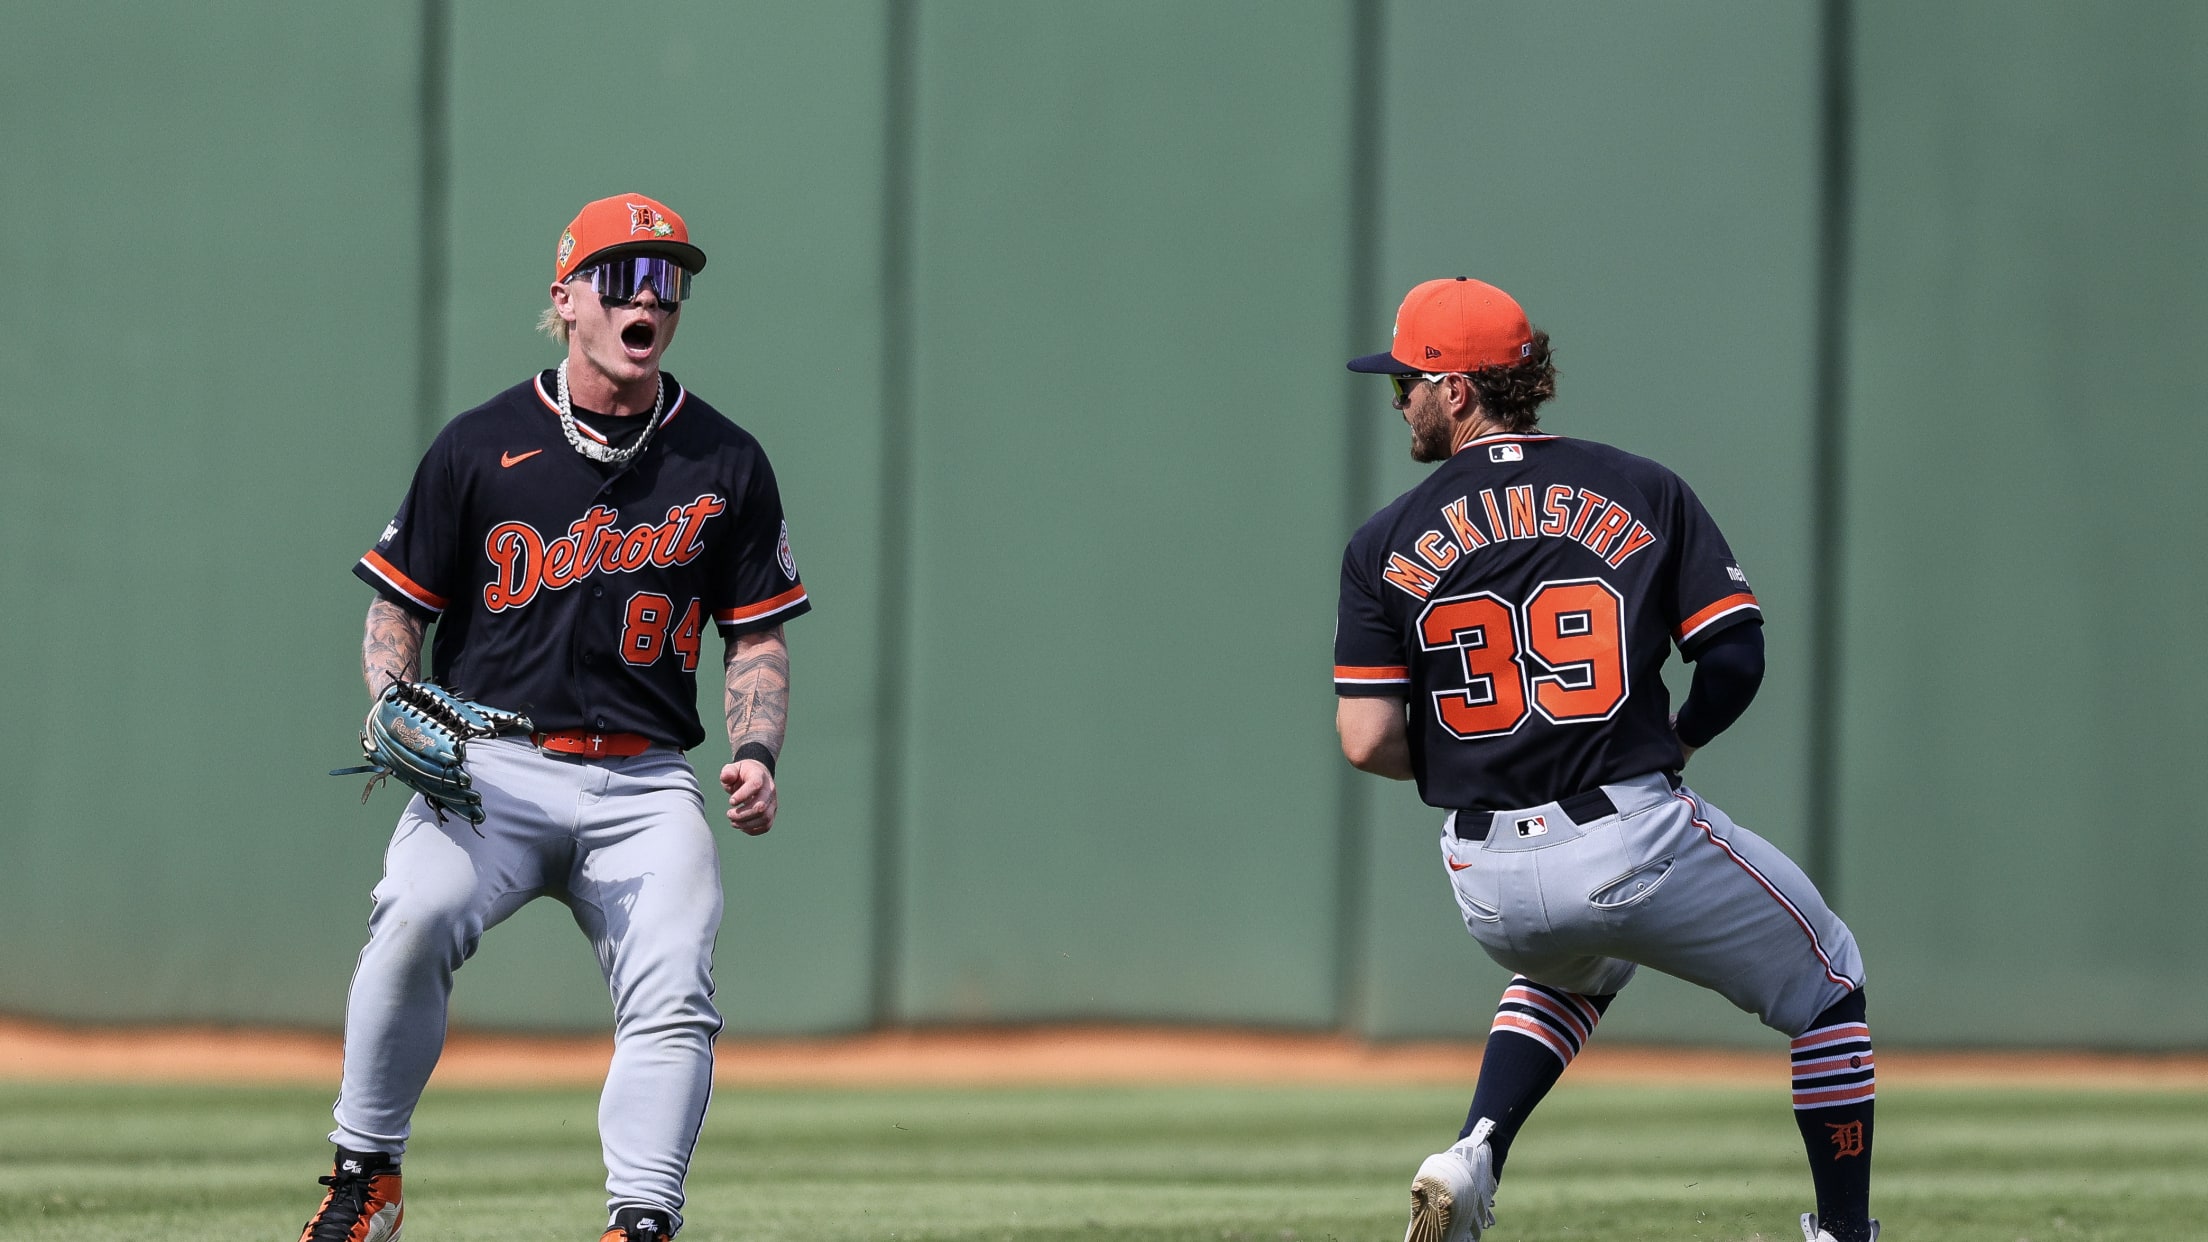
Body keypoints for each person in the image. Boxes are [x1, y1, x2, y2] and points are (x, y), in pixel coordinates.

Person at [300, 193, 810, 1242]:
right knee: (412, 916)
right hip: (489, 771)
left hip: (643, 781)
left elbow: (756, 636)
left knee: (674, 985)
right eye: (621, 277)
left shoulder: (725, 460)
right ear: (566, 300)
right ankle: (366, 1178)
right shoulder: (481, 445)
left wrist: (756, 746)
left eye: (667, 281)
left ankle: (643, 1220)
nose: (648, 300)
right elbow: (399, 605)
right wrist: (393, 699)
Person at [1333, 278, 1877, 1242]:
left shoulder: (1381, 539)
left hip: (1483, 876)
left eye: (1410, 378)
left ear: (1458, 391)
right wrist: (1682, 742)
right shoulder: (1639, 485)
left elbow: (1368, 738)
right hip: (1624, 836)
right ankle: (1844, 1232)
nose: (1398, 396)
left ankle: (1475, 1152)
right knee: (1830, 979)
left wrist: (1476, 754)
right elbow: (1735, 655)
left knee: (1572, 966)